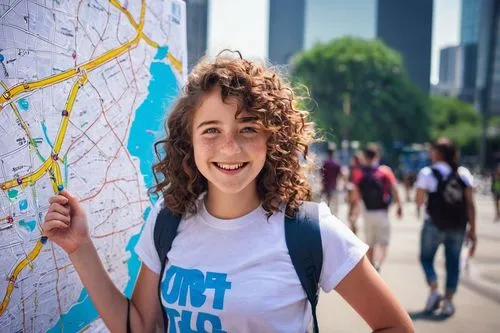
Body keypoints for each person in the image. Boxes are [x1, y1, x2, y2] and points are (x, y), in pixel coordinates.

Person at [43, 53, 414, 332]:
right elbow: (139, 326)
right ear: (188, 140)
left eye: (248, 128)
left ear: (274, 139)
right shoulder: (169, 217)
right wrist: (81, 248)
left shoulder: (310, 230)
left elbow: (395, 325)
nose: (230, 147)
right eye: (211, 130)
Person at [415, 137, 477, 317]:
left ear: (437, 153)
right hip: (458, 225)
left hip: (433, 224)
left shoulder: (427, 173)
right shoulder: (463, 173)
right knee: (453, 263)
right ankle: (448, 302)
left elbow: (419, 200)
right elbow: (470, 204)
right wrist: (472, 229)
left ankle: (434, 290)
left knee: (426, 258)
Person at [351, 144, 403, 272]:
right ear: (377, 156)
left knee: (370, 241)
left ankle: (372, 264)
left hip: (367, 212)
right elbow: (394, 189)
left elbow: (355, 195)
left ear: (365, 156)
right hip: (382, 212)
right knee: (383, 241)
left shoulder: (359, 172)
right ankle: (379, 262)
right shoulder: (385, 171)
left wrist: (354, 213)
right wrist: (399, 205)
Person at [346, 152, 365, 235]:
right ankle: (353, 224)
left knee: (350, 212)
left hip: (352, 191)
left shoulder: (352, 168)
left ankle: (353, 224)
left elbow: (349, 180)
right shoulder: (363, 169)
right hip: (359, 192)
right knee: (356, 211)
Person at [320, 147, 342, 214]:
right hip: (333, 185)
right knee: (333, 203)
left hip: (325, 185)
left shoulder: (325, 163)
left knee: (325, 202)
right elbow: (340, 174)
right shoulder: (337, 163)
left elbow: (321, 173)